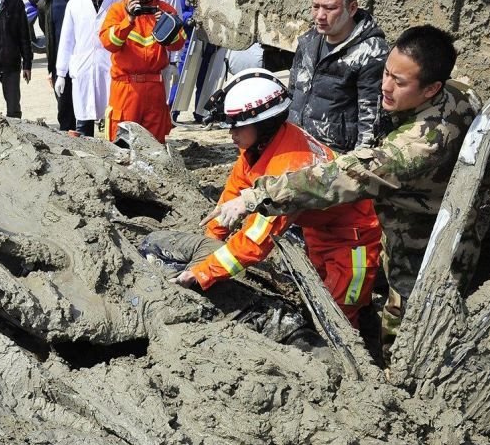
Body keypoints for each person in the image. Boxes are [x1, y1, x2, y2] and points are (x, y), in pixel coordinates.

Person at [215, 26, 483, 359]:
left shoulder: (419, 145)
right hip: (409, 215)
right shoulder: (460, 93)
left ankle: (399, 384)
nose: (384, 86)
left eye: (399, 83)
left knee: (410, 325)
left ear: (432, 88)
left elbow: (344, 175)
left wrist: (256, 197)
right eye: (387, 72)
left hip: (425, 237)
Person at [142, 69, 381, 326]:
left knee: (338, 317)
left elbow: (257, 241)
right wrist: (210, 240)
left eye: (237, 127)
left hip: (353, 243)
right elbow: (235, 189)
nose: (231, 134)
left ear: (263, 123)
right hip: (320, 231)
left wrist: (202, 273)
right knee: (319, 297)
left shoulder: (288, 167)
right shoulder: (264, 145)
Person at [288, 0, 389, 153]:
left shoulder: (370, 52)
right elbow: (292, 92)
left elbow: (370, 118)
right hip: (295, 144)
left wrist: (355, 167)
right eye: (315, 7)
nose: (320, 16)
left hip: (334, 155)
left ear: (352, 9)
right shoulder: (308, 41)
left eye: (330, 8)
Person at [99, 0, 185, 143]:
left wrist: (165, 28)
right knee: (122, 146)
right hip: (126, 87)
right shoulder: (119, 10)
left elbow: (179, 43)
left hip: (155, 87)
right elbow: (109, 43)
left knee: (155, 146)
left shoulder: (167, 11)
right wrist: (128, 20)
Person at [55, 0, 123, 137]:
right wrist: (61, 73)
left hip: (111, 67)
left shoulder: (119, 0)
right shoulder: (75, 3)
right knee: (83, 120)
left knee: (112, 119)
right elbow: (67, 40)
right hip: (83, 68)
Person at [123, 0, 181, 94]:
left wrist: (174, 61)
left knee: (161, 107)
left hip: (161, 63)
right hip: (131, 70)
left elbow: (177, 27)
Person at [37, 0, 80, 132]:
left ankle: (85, 140)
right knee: (63, 108)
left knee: (81, 106)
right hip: (58, 63)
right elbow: (45, 29)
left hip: (79, 59)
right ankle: (67, 143)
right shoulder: (44, 4)